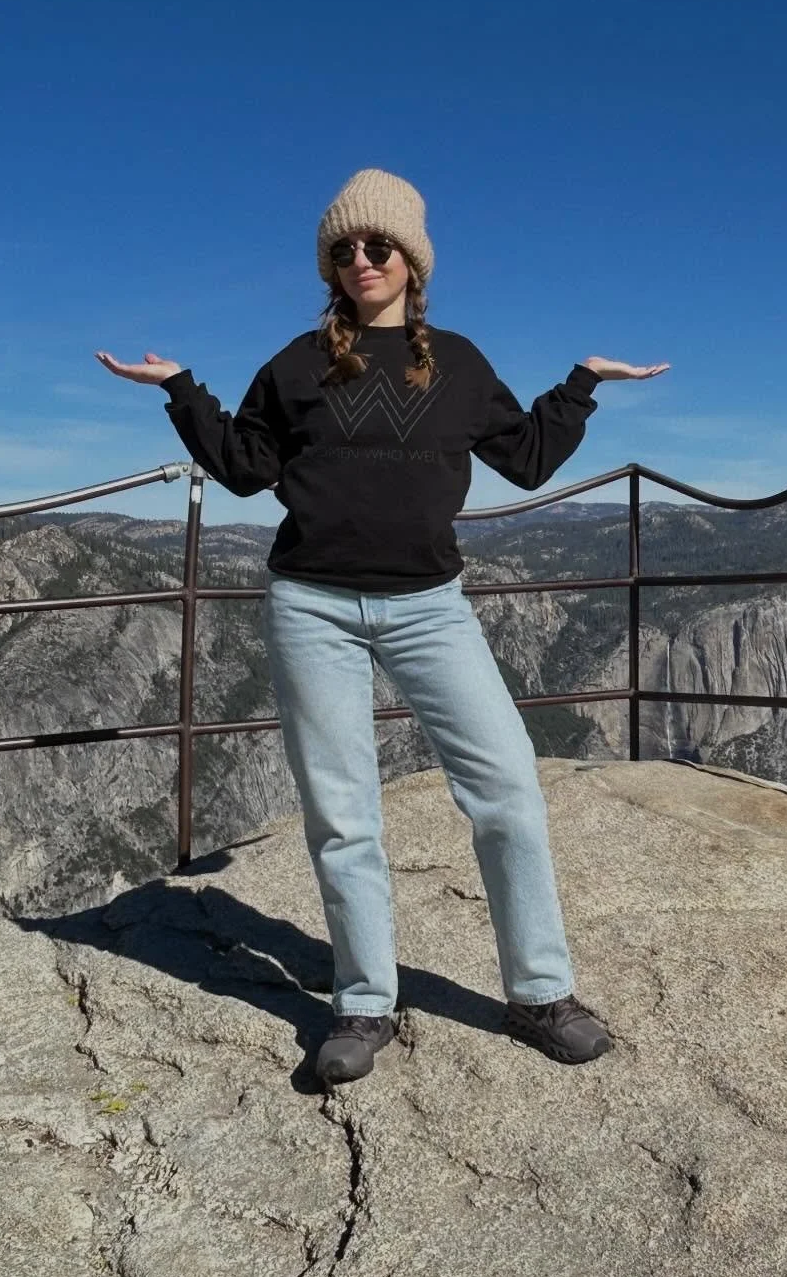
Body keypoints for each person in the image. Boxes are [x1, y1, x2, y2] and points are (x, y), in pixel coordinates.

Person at [96, 168, 670, 1086]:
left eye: (379, 246)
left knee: (508, 789)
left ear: (413, 261)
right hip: (311, 606)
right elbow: (246, 468)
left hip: (429, 607)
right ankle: (364, 1002)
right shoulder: (293, 365)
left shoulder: (461, 365)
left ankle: (539, 991)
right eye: (345, 249)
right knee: (342, 814)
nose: (362, 260)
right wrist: (180, 392)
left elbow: (524, 460)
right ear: (331, 264)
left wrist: (581, 387)